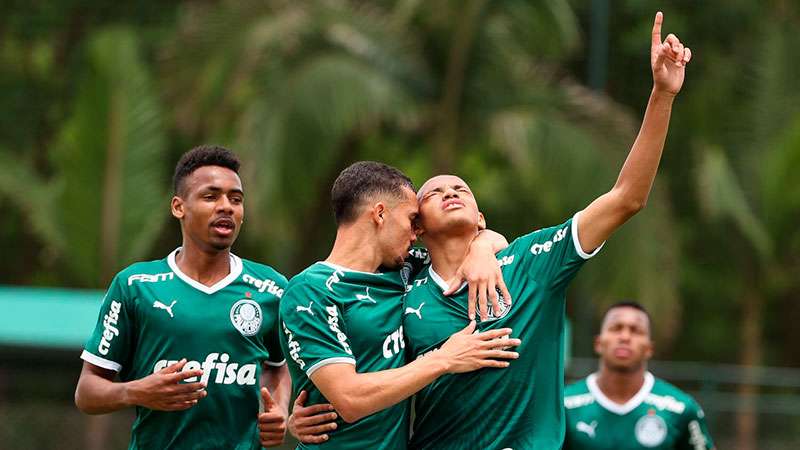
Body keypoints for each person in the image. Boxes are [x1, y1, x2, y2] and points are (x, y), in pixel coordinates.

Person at [291, 10, 693, 450]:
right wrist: (297, 417)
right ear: (417, 228)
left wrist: (662, 96)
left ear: (481, 217)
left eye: (461, 187)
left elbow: (626, 198)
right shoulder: (401, 284)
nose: (451, 190)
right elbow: (361, 367)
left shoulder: (533, 262)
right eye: (434, 192)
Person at [278, 161, 521, 449]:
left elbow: (469, 238)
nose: (416, 233)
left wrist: (483, 247)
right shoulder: (310, 291)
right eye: (411, 219)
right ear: (380, 214)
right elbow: (350, 399)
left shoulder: (407, 269)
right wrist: (444, 359)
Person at [74, 145, 291, 449]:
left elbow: (277, 365)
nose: (226, 206)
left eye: (236, 199)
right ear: (179, 207)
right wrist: (136, 392)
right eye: (211, 196)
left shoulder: (271, 288)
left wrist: (279, 409)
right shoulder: (135, 286)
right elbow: (87, 392)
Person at [563, 301, 714, 449]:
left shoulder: (681, 409)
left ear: (649, 348)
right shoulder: (564, 406)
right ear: (598, 343)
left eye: (636, 330)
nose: (625, 337)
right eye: (616, 328)